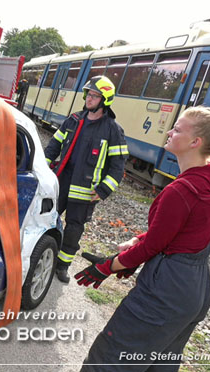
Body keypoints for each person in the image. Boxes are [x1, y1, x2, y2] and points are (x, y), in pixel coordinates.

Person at [75, 106, 210, 372]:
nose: (169, 132)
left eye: (178, 129)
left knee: (108, 362)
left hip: (164, 293)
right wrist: (137, 241)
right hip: (194, 291)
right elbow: (179, 232)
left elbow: (155, 246)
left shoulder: (180, 190)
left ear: (195, 142)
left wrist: (107, 266)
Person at [44, 76, 128, 283]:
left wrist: (102, 191)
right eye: (88, 94)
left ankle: (62, 266)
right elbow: (54, 146)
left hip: (85, 191)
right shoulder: (73, 120)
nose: (88, 99)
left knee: (74, 229)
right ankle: (40, 253)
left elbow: (118, 166)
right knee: (46, 218)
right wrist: (43, 168)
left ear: (104, 100)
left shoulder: (113, 131)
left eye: (94, 96)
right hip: (60, 182)